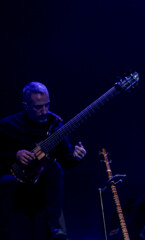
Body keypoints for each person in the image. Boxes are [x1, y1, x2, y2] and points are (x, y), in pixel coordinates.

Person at [0, 82, 87, 240]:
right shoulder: (7, 125)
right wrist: (15, 155)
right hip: (13, 179)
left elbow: (67, 160)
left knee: (53, 166)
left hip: (42, 184)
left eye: (47, 105)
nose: (44, 111)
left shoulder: (54, 124)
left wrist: (76, 157)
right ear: (25, 105)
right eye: (38, 107)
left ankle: (53, 227)